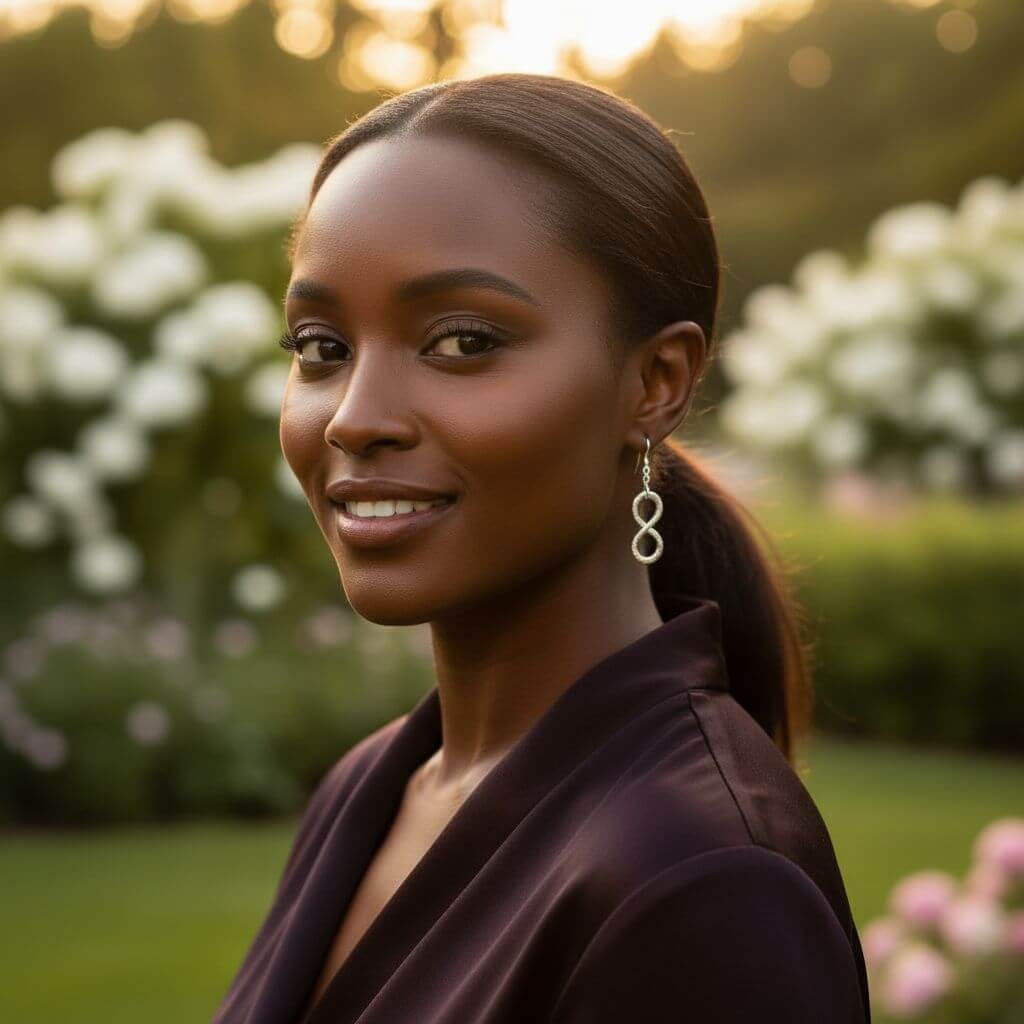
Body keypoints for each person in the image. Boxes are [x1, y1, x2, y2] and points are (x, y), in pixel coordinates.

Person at [212, 72, 871, 1024]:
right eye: (320, 347)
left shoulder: (703, 882)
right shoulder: (371, 788)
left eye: (462, 340)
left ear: (656, 381)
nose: (353, 419)